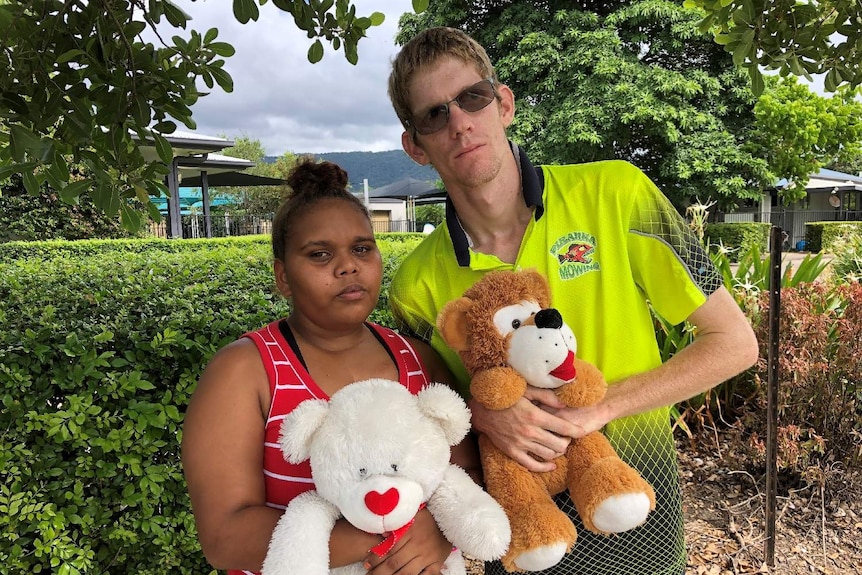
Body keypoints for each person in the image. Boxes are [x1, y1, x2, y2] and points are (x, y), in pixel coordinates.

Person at [386, 27, 760, 575]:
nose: (461, 122)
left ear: (503, 103)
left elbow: (735, 344)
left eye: (473, 97)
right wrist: (484, 418)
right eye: (435, 115)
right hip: (516, 529)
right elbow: (429, 421)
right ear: (415, 145)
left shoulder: (620, 193)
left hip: (638, 508)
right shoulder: (413, 285)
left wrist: (601, 408)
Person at [181, 158, 475, 575]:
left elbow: (466, 471)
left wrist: (439, 529)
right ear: (283, 277)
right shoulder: (246, 371)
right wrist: (388, 540)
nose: (347, 266)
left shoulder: (418, 360)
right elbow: (224, 535)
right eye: (319, 254)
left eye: (361, 248)